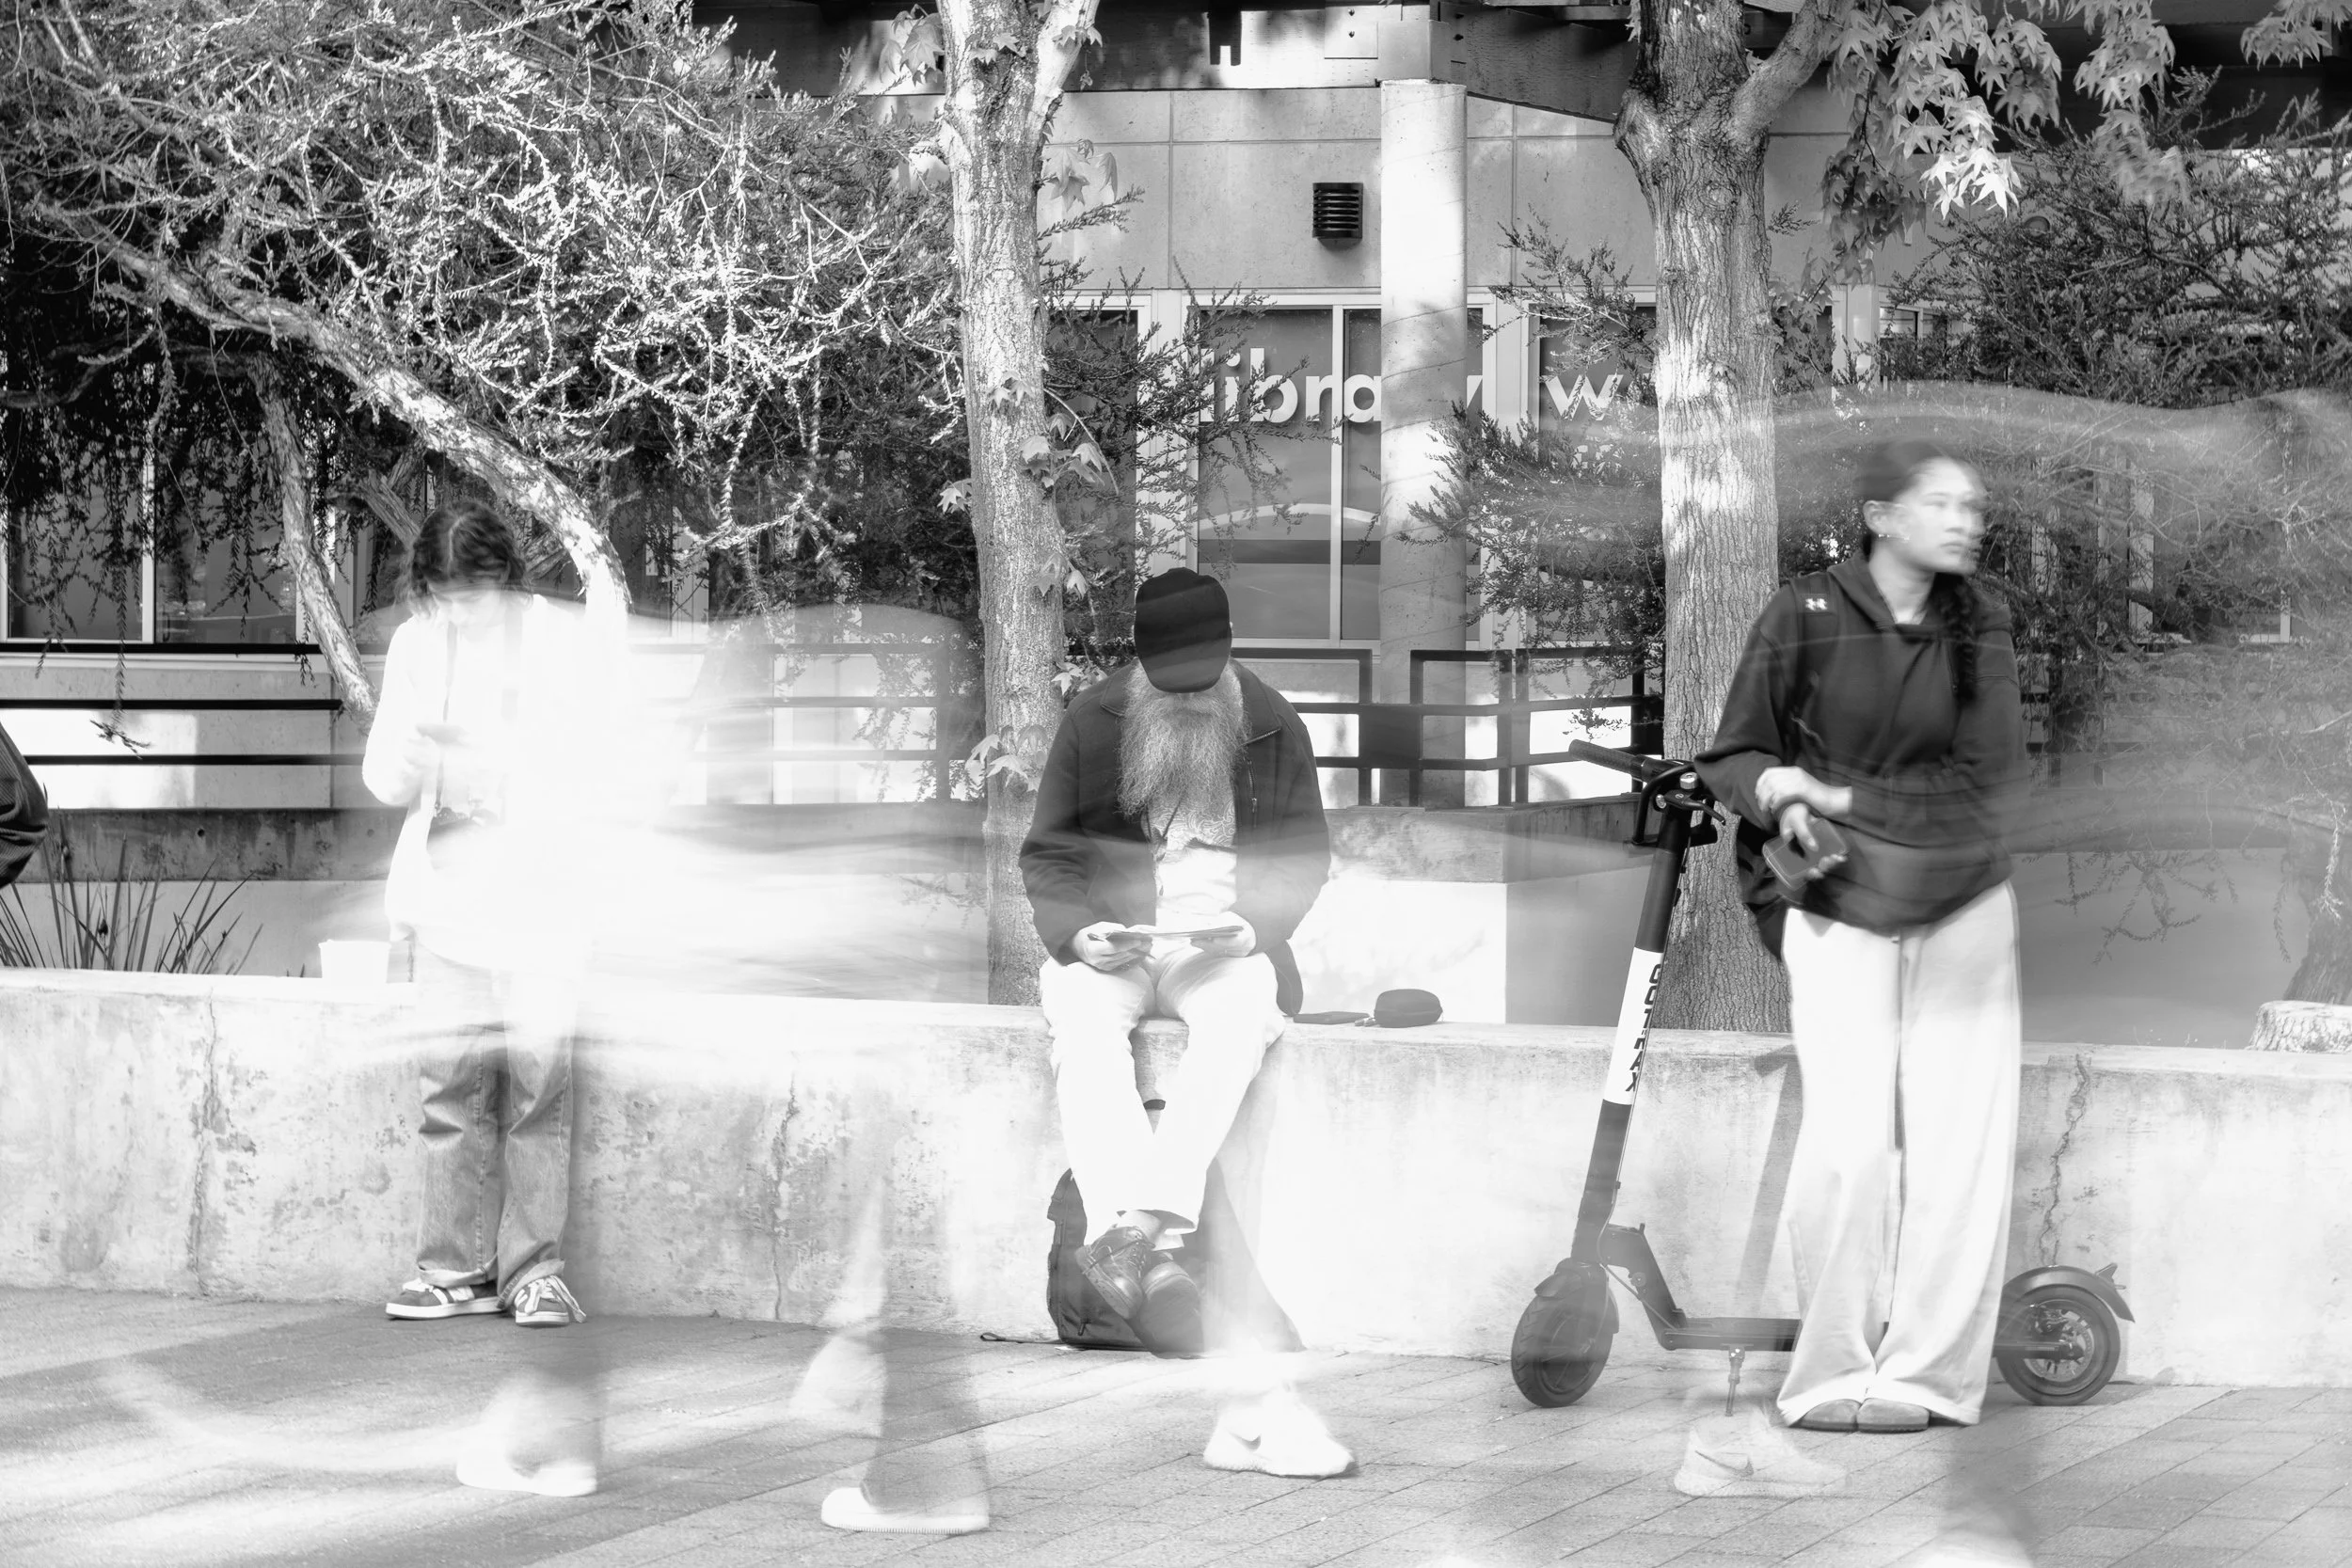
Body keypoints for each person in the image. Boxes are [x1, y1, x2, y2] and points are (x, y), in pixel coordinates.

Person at [1696, 437, 2028, 1437]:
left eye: (1973, 503)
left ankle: (1928, 1377)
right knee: (1845, 1144)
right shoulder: (1802, 612)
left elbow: (1986, 777)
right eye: (1941, 501)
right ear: (1880, 517)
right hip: (1839, 902)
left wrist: (1830, 793)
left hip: (1962, 899)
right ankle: (1829, 1371)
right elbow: (1736, 751)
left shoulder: (1985, 624)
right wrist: (1777, 796)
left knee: (1959, 1149)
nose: (1966, 518)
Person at [1019, 566, 1350, 1479]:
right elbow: (1048, 850)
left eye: (1200, 676)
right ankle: (1140, 1235)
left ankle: (1139, 1228)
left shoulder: (1273, 718)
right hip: (1116, 946)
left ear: (1227, 652)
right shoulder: (1093, 720)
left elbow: (1302, 855)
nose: (1187, 691)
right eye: (1171, 679)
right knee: (1077, 1018)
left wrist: (1259, 925)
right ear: (1141, 665)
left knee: (1243, 1010)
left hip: (1222, 941)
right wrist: (1076, 932)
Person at [364, 499, 612, 1337]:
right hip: (448, 899)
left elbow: (598, 768)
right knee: (449, 1089)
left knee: (539, 1088)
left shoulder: (558, 642)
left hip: (541, 899)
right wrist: (416, 751)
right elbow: (384, 782)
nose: (458, 614)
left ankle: (535, 1272)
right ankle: (451, 1269)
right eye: (441, 596)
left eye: (472, 595)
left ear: (505, 578)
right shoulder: (416, 644)